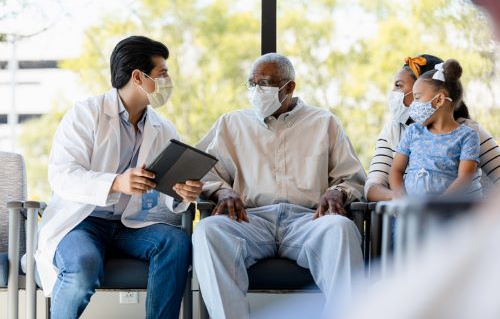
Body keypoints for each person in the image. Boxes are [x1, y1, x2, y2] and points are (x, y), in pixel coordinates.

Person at [34, 36, 203, 319]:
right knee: (84, 264)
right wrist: (115, 182)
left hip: (130, 226)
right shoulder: (86, 115)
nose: (168, 80)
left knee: (175, 242)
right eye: (163, 73)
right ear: (138, 76)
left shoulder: (164, 129)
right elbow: (62, 175)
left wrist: (181, 194)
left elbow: (163, 192)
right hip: (82, 222)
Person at [193, 53, 367, 319]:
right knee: (208, 230)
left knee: (342, 228)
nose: (256, 91)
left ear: (289, 87)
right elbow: (198, 170)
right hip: (250, 219)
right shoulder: (231, 123)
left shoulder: (324, 122)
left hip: (307, 220)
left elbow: (352, 176)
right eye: (252, 83)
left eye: (264, 83)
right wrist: (221, 189)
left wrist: (337, 191)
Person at [366, 54, 500, 201]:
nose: (393, 93)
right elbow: (373, 187)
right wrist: (400, 199)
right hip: (412, 214)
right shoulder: (396, 130)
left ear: (437, 96)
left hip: (457, 216)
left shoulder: (469, 132)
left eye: (399, 85)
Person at [389, 59, 481, 197]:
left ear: (439, 100)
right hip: (413, 212)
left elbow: (464, 179)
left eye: (418, 98)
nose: (414, 104)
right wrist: (402, 200)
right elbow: (396, 170)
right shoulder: (413, 132)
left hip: (451, 213)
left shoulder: (468, 136)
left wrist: (437, 207)